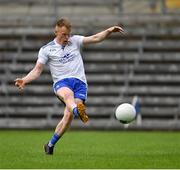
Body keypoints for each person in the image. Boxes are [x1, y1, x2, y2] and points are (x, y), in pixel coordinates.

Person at [15, 18, 124, 155]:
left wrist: (109, 31)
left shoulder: (75, 41)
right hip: (62, 82)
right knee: (68, 96)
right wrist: (24, 80)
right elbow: (37, 69)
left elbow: (96, 38)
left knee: (68, 117)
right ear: (56, 32)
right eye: (63, 34)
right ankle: (78, 111)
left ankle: (50, 145)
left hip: (80, 84)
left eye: (68, 34)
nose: (67, 37)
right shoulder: (46, 49)